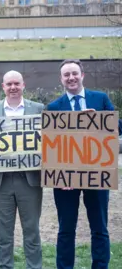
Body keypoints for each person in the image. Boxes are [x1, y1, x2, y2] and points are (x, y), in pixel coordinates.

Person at [47, 59, 121, 269]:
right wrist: (60, 175)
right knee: (66, 229)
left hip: (96, 174)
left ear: (82, 75)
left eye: (74, 73)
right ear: (61, 79)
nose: (71, 77)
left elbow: (118, 129)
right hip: (66, 179)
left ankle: (100, 266)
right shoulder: (53, 107)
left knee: (99, 227)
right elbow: (50, 146)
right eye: (66, 74)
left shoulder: (101, 99)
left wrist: (100, 119)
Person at [0, 70, 44, 269]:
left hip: (30, 180)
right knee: (4, 233)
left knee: (32, 231)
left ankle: (34, 266)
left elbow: (51, 142)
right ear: (3, 87)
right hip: (1, 182)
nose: (13, 87)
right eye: (9, 84)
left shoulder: (39, 109)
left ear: (23, 85)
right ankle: (4, 266)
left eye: (16, 83)